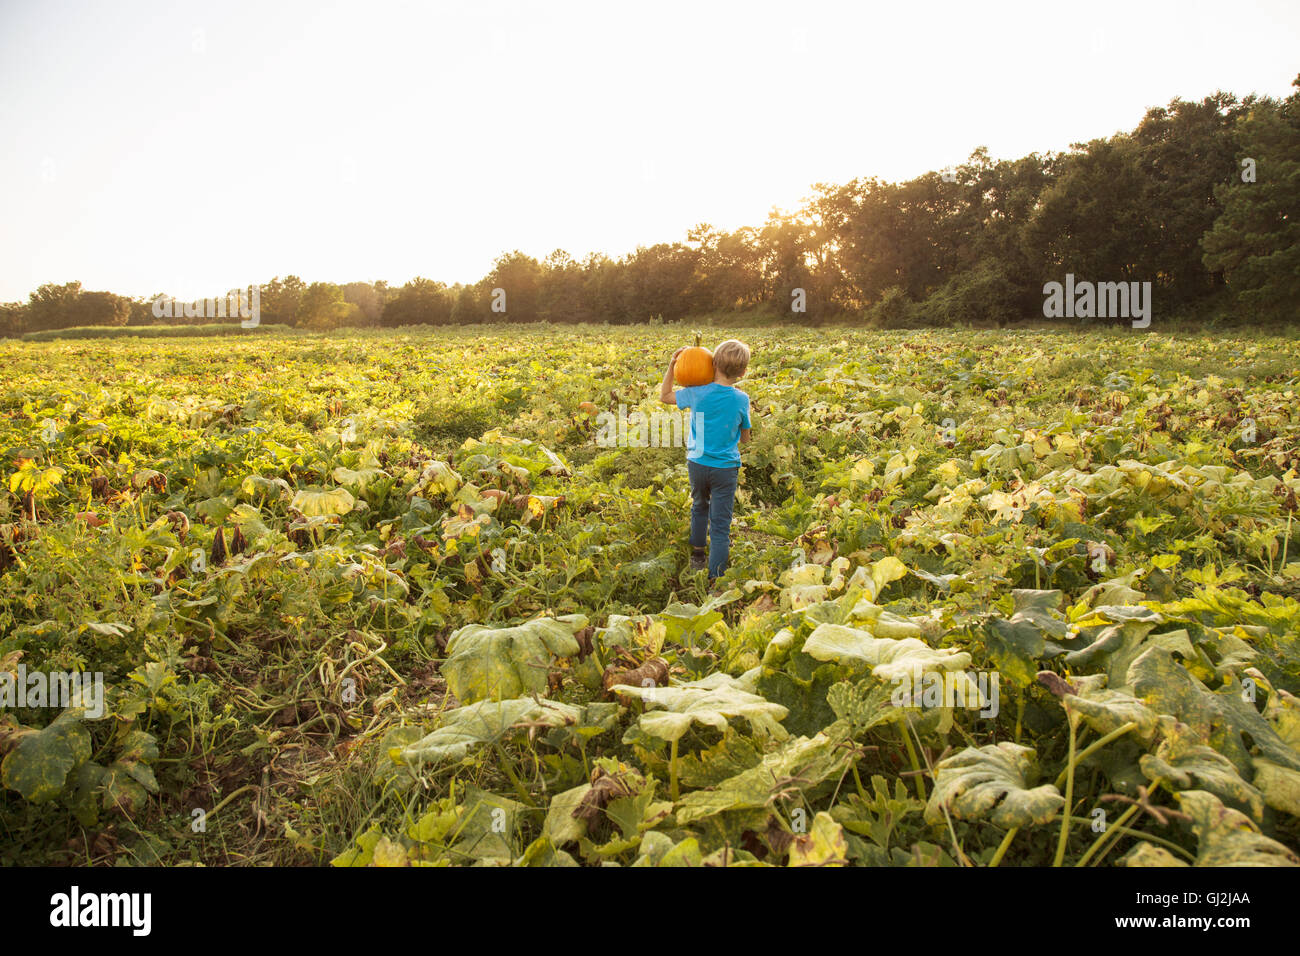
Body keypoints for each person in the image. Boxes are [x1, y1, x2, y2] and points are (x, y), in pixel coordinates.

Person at [658, 338, 752, 581]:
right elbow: (746, 439)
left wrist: (672, 365)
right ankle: (715, 579)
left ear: (713, 363)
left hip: (697, 464)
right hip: (725, 468)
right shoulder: (742, 399)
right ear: (742, 372)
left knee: (699, 505)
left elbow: (665, 396)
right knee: (720, 525)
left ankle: (697, 556)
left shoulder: (696, 394)